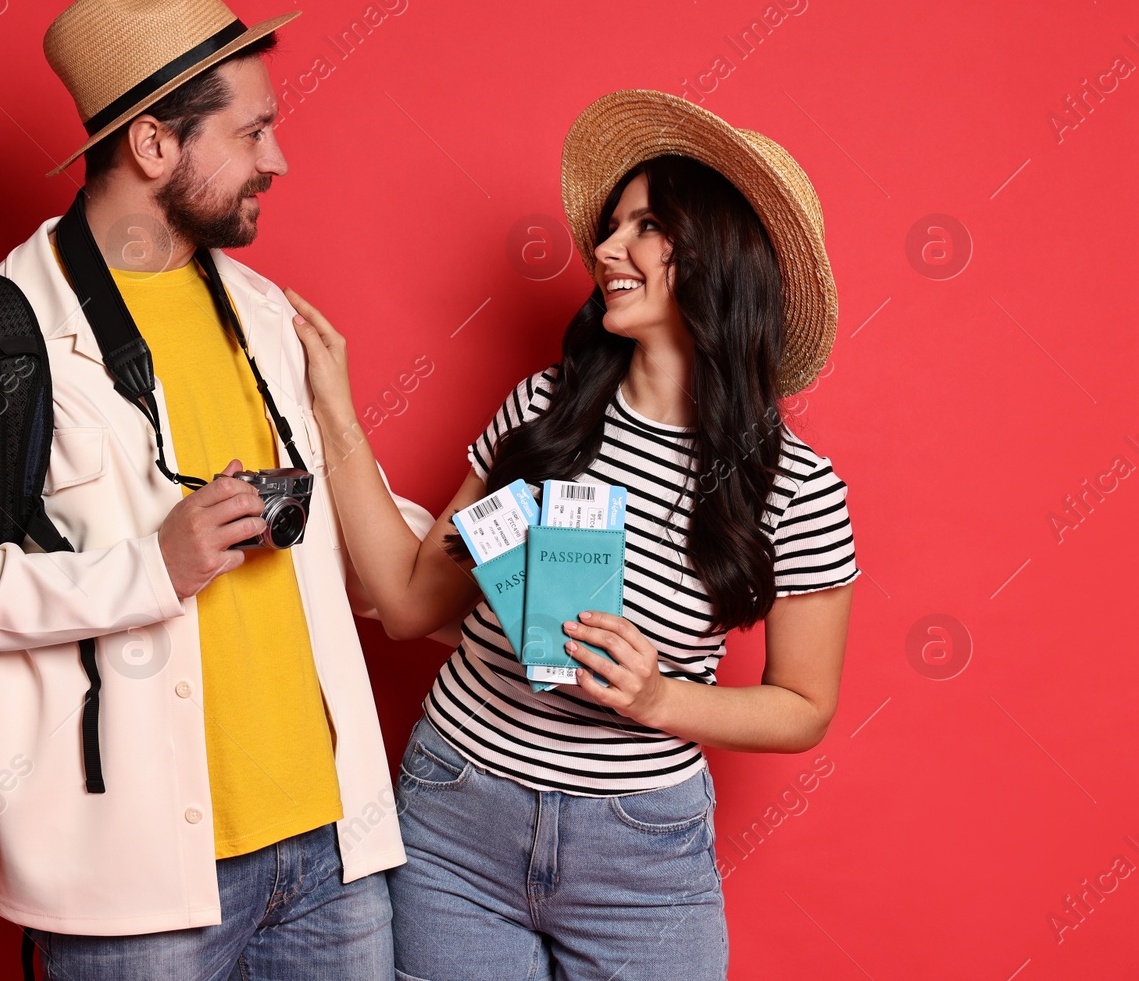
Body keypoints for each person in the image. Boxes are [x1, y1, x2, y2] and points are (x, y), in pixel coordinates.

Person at [0, 0, 434, 980]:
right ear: (153, 141)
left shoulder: (262, 312)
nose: (279, 158)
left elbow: (336, 523)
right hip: (137, 888)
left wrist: (516, 527)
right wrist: (148, 567)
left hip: (331, 849)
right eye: (251, 131)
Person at [287, 88, 860, 980]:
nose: (603, 249)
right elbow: (406, 603)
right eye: (610, 226)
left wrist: (659, 698)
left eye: (642, 225)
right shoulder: (546, 411)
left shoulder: (797, 484)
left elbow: (804, 707)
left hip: (640, 854)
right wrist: (337, 415)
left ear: (715, 253)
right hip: (457, 814)